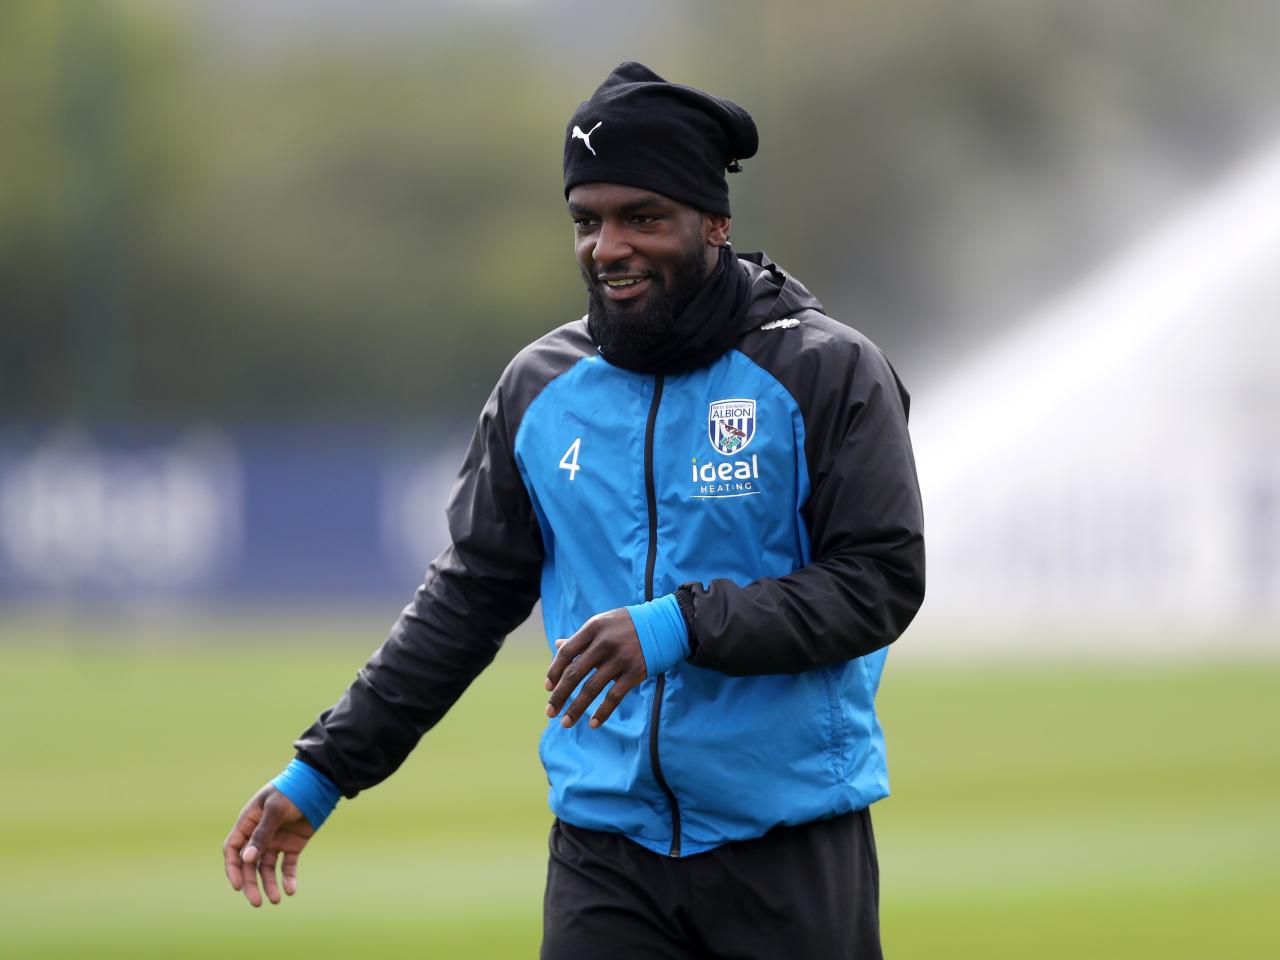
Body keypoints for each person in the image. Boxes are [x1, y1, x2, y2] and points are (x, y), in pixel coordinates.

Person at [223, 61, 925, 960]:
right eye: (587, 220)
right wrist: (321, 773)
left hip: (787, 851)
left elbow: (880, 583)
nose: (609, 246)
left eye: (643, 217)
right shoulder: (538, 388)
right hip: (604, 860)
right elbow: (467, 599)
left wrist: (678, 627)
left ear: (715, 223)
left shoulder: (824, 370)